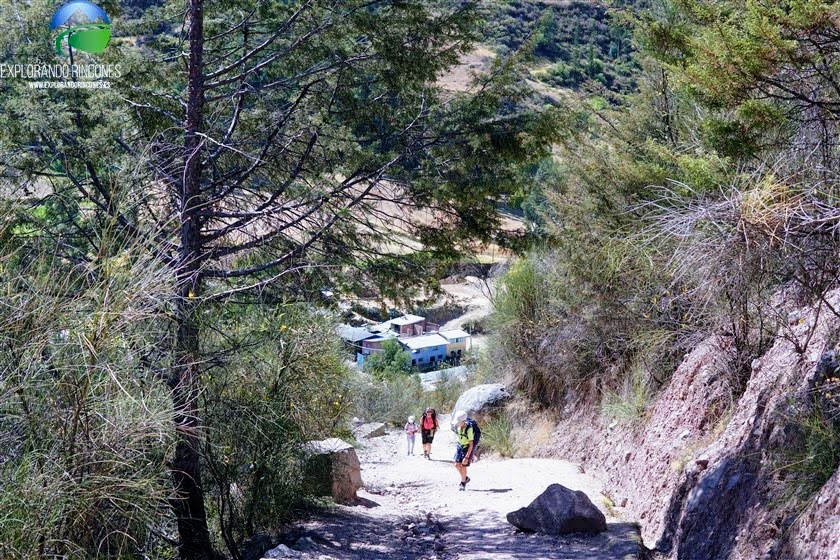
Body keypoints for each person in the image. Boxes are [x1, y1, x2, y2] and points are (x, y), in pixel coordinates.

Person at [452, 410, 474, 491]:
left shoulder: (469, 429)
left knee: (463, 465)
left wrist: (467, 457)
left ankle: (462, 483)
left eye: (459, 422)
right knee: (456, 465)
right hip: (459, 446)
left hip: (466, 448)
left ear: (464, 421)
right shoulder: (458, 427)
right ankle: (465, 478)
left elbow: (471, 444)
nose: (457, 423)